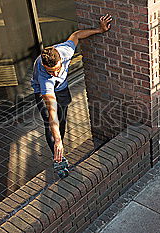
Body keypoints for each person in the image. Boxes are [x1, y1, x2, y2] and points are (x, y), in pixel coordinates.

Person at [31, 14, 112, 165]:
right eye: (50, 72)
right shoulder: (45, 80)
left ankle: (59, 139)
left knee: (62, 119)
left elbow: (76, 35)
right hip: (44, 92)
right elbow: (52, 113)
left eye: (56, 70)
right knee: (51, 122)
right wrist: (58, 141)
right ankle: (58, 158)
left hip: (62, 89)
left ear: (61, 60)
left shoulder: (66, 51)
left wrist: (99, 30)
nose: (54, 74)